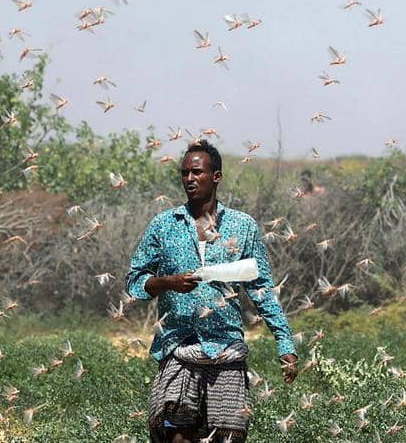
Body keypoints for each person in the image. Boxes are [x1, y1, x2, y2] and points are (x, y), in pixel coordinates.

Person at [125, 140, 298, 443]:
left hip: (226, 349)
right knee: (176, 435)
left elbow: (261, 290)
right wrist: (169, 282)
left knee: (227, 437)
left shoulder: (243, 227)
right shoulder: (164, 225)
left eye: (196, 172)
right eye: (184, 174)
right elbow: (135, 282)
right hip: (178, 347)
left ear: (216, 176)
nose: (189, 179)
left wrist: (285, 343)